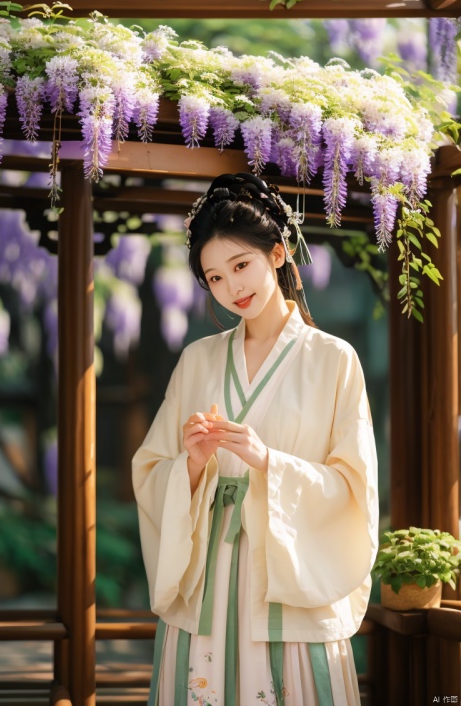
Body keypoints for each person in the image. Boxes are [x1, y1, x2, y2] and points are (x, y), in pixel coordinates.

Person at [132, 172, 379, 706]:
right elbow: (150, 469)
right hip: (206, 587)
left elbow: (355, 488)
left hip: (288, 584)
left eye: (241, 265)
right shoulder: (197, 358)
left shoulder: (334, 360)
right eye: (214, 278)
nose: (231, 288)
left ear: (279, 253)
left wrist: (270, 462)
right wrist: (192, 466)